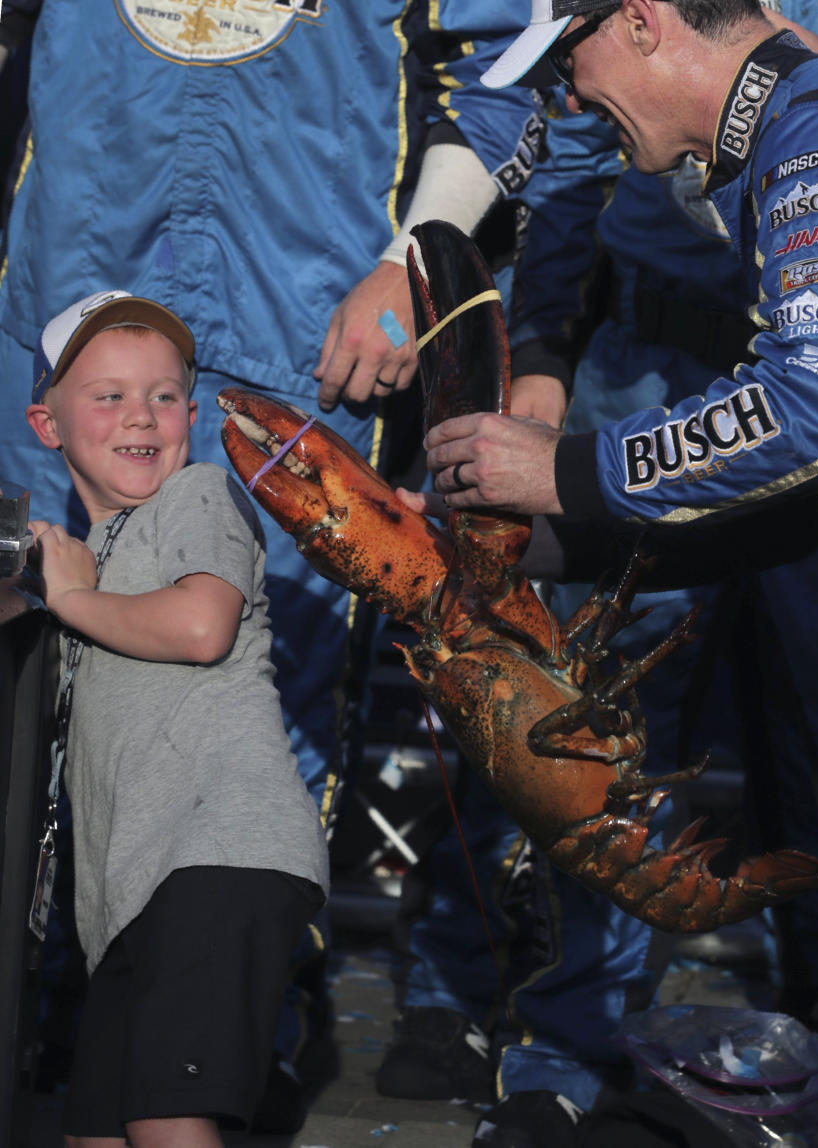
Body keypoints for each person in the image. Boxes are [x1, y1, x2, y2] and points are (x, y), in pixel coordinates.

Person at [401, 3, 818, 1145]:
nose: (567, 96)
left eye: (573, 57)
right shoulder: (812, 121)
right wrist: (550, 541)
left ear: (647, 22)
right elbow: (809, 499)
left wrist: (569, 471)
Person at [0, 0, 541, 1116]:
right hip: (58, 320)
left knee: (263, 705)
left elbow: (510, 66)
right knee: (25, 675)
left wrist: (412, 261)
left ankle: (236, 1034)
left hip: (296, 340)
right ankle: (45, 1012)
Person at [23, 289, 328, 1146]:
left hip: (219, 852)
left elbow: (201, 627)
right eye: (109, 395)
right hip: (131, 898)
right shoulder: (80, 557)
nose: (141, 415)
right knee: (97, 1131)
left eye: (163, 396)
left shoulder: (197, 495)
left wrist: (71, 596)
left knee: (166, 1121)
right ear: (47, 425)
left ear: (191, 416)